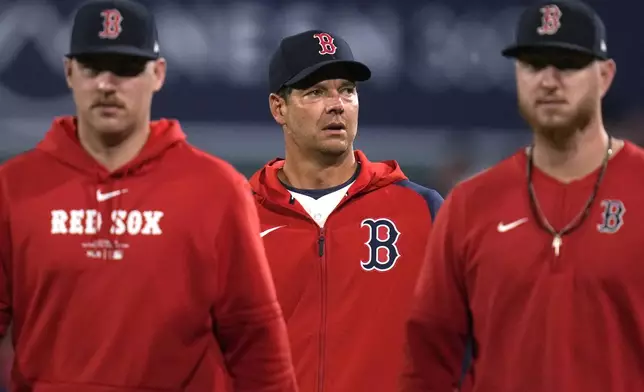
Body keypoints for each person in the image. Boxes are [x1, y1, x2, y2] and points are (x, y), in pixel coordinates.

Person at [0, 0, 297, 391]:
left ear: (157, 74)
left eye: (126, 68)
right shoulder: (14, 187)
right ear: (69, 72)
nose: (107, 84)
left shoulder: (216, 190)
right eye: (93, 68)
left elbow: (255, 338)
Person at [401, 0, 644, 391]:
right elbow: (428, 358)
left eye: (566, 64)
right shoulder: (471, 203)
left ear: (604, 76)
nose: (548, 80)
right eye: (532, 65)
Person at [248, 30, 444, 392]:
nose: (336, 104)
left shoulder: (422, 211)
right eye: (316, 92)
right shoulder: (239, 217)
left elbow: (465, 339)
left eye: (347, 90)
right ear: (279, 108)